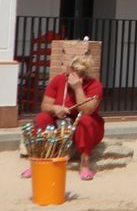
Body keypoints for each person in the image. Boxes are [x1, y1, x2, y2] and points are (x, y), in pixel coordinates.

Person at [21, 53, 104, 181]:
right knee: (42, 118)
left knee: (85, 120)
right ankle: (38, 161)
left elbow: (87, 110)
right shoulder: (58, 80)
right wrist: (55, 108)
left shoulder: (94, 85)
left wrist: (78, 88)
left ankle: (84, 164)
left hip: (86, 125)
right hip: (61, 122)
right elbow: (45, 106)